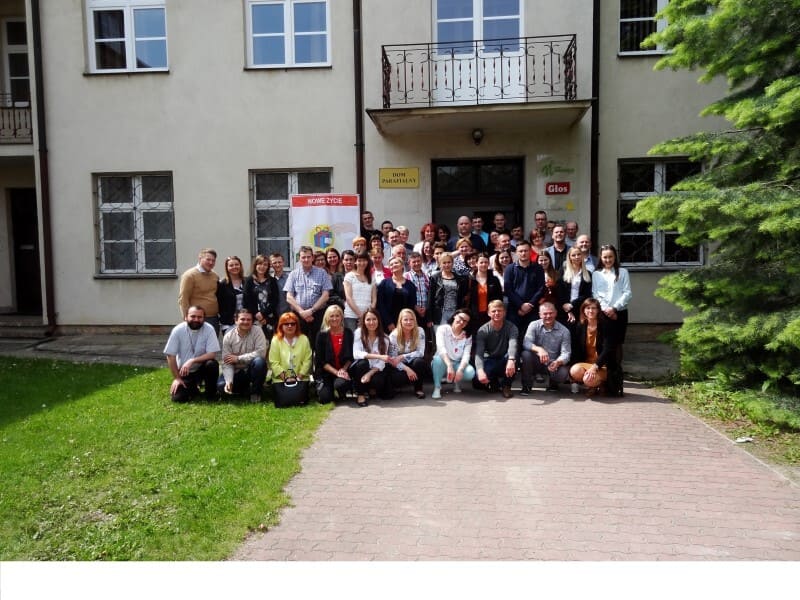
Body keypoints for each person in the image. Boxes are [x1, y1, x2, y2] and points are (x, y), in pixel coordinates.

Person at [164, 305, 220, 402]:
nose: (196, 319)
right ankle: (193, 388)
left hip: (202, 369)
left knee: (212, 364)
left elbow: (212, 354)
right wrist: (177, 378)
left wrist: (192, 360)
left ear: (204, 318)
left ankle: (211, 393)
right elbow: (170, 355)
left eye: (199, 317)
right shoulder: (178, 330)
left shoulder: (209, 329)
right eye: (193, 316)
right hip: (185, 371)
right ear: (186, 317)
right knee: (178, 398)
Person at [284, 245, 332, 346]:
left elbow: (326, 295)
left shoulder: (322, 273)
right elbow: (289, 297)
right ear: (299, 259)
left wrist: (311, 311)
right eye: (303, 257)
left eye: (308, 257)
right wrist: (302, 312)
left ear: (312, 257)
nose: (306, 259)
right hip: (299, 315)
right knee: (300, 345)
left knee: (319, 344)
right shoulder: (293, 274)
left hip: (318, 315)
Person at [519, 302, 572, 394]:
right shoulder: (533, 325)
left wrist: (558, 362)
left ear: (556, 313)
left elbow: (566, 353)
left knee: (563, 373)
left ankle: (553, 383)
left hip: (553, 362)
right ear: (540, 315)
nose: (548, 316)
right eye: (545, 314)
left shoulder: (564, 331)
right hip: (536, 361)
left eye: (551, 313)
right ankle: (526, 386)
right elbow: (526, 343)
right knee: (526, 354)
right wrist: (539, 349)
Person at [217, 308, 268, 403]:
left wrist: (238, 358)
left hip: (251, 370)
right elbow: (226, 361)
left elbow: (261, 353)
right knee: (221, 386)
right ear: (236, 320)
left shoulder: (258, 331)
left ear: (252, 321)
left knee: (260, 362)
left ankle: (255, 392)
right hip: (236, 371)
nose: (246, 322)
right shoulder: (228, 335)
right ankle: (245, 389)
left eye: (249, 320)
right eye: (242, 319)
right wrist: (229, 381)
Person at [569, 298, 616, 396]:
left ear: (598, 310)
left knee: (588, 379)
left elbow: (607, 350)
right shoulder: (581, 326)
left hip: (603, 365)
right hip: (588, 364)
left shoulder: (606, 325)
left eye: (594, 308)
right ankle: (594, 385)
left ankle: (600, 384)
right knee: (574, 370)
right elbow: (576, 349)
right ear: (583, 310)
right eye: (588, 308)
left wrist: (595, 367)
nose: (591, 311)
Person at [592, 244, 632, 354]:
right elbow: (595, 294)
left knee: (618, 343)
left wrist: (614, 308)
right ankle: (604, 365)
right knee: (605, 343)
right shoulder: (596, 274)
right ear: (601, 257)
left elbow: (627, 293)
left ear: (615, 257)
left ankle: (616, 366)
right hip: (603, 313)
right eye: (605, 257)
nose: (608, 260)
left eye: (610, 257)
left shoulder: (623, 272)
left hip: (619, 312)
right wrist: (606, 310)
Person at [474, 300, 518, 398]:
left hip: (505, 359)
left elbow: (513, 344)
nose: (497, 313)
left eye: (499, 310)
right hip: (490, 360)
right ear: (488, 313)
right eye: (494, 311)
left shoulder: (512, 327)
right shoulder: (483, 330)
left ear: (504, 312)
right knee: (477, 381)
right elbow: (479, 353)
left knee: (515, 356)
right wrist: (480, 371)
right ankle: (493, 382)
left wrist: (511, 359)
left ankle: (506, 385)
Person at [503, 240, 545, 343]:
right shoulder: (509, 269)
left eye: (526, 251)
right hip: (514, 310)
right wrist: (521, 305)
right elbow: (508, 290)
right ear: (516, 253)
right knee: (513, 339)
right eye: (520, 251)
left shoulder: (538, 268)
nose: (523, 253)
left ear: (530, 251)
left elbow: (541, 288)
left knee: (532, 339)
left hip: (533, 310)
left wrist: (530, 304)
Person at [269, 311, 313, 407]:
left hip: (301, 379)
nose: (290, 326)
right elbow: (274, 362)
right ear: (281, 326)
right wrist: (285, 378)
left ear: (297, 325)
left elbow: (307, 360)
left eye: (293, 324)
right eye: (286, 324)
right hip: (281, 380)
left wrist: (298, 377)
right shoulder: (275, 340)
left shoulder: (304, 339)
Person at [350, 309, 393, 406]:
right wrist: (378, 356)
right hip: (360, 368)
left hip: (374, 369)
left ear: (378, 320)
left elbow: (382, 362)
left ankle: (370, 388)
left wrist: (369, 373)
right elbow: (356, 353)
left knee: (385, 390)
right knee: (363, 363)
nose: (371, 322)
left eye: (374, 319)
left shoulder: (385, 338)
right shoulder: (358, 332)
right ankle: (360, 395)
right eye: (368, 319)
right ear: (364, 321)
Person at [431, 309, 475, 399]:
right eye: (461, 318)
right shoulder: (443, 329)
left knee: (470, 372)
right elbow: (441, 348)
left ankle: (456, 381)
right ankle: (437, 387)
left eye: (465, 321)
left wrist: (460, 370)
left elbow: (466, 355)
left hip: (457, 363)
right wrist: (449, 365)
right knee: (437, 360)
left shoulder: (467, 335)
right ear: (455, 316)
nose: (462, 322)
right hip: (443, 361)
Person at [314, 305, 354, 404]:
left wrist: (343, 370)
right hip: (327, 372)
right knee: (325, 399)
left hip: (343, 370)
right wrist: (336, 373)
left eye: (337, 316)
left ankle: (341, 390)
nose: (334, 319)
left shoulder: (348, 333)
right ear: (327, 318)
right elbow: (320, 360)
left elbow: (351, 356)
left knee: (341, 384)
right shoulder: (321, 335)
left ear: (341, 317)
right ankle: (329, 390)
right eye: (331, 316)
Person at [387, 308, 428, 399]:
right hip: (399, 365)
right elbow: (392, 359)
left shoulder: (420, 331)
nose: (409, 322)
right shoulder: (394, 335)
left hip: (412, 361)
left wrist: (403, 356)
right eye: (405, 319)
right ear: (400, 321)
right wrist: (407, 369)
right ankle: (397, 387)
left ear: (415, 320)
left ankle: (418, 389)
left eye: (411, 319)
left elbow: (420, 353)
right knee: (397, 378)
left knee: (420, 363)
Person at [178, 248, 220, 332]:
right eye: (208, 259)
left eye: (213, 260)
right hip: (197, 319)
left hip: (213, 318)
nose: (211, 262)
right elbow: (183, 298)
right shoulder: (189, 275)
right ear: (200, 258)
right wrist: (186, 317)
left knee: (212, 340)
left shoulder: (215, 276)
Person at [426, 252, 469, 332]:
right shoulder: (435, 278)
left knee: (453, 335)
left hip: (454, 313)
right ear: (440, 264)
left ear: (452, 263)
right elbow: (430, 298)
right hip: (439, 314)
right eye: (444, 263)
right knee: (440, 336)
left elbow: (462, 298)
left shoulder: (459, 279)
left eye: (449, 262)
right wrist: (429, 318)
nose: (447, 265)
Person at [243, 254, 280, 341]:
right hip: (253, 318)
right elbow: (246, 300)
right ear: (255, 265)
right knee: (254, 343)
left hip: (269, 318)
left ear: (268, 267)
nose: (262, 267)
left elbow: (275, 300)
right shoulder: (249, 281)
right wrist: (257, 314)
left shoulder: (272, 281)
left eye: (265, 264)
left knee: (269, 343)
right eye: (259, 264)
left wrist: (263, 315)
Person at [376, 256, 416, 333]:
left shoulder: (410, 285)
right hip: (387, 324)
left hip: (405, 323)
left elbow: (412, 305)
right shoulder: (384, 283)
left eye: (396, 263)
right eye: (391, 264)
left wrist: (406, 322)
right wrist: (388, 322)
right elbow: (380, 304)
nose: (393, 265)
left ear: (402, 265)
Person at [558, 245, 593, 327]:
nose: (576, 257)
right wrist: (566, 307)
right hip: (564, 309)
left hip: (581, 309)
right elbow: (559, 290)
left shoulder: (588, 273)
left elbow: (587, 294)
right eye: (573, 255)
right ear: (569, 257)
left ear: (582, 256)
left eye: (578, 254)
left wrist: (572, 305)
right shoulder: (563, 271)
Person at [469, 252, 503, 334]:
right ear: (476, 264)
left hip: (490, 315)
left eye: (486, 262)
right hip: (474, 316)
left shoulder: (494, 280)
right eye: (481, 262)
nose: (484, 264)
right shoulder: (470, 280)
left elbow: (499, 298)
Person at [343, 250, 376, 331]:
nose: (362, 263)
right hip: (351, 316)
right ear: (355, 262)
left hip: (367, 317)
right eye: (359, 260)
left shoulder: (371, 277)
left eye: (364, 260)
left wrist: (368, 314)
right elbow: (348, 298)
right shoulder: (349, 276)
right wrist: (361, 316)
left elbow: (374, 299)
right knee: (352, 338)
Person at [216, 255, 246, 336]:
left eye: (236, 264)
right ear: (227, 268)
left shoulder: (247, 281)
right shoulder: (222, 284)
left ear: (240, 266)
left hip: (246, 321)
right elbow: (219, 304)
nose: (234, 267)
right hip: (229, 323)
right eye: (231, 265)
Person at [405, 251, 430, 331]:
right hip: (412, 312)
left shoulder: (427, 276)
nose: (416, 264)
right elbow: (406, 296)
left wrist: (426, 308)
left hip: (425, 312)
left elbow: (429, 293)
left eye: (418, 261)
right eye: (414, 262)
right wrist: (416, 307)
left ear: (421, 261)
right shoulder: (406, 276)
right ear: (409, 263)